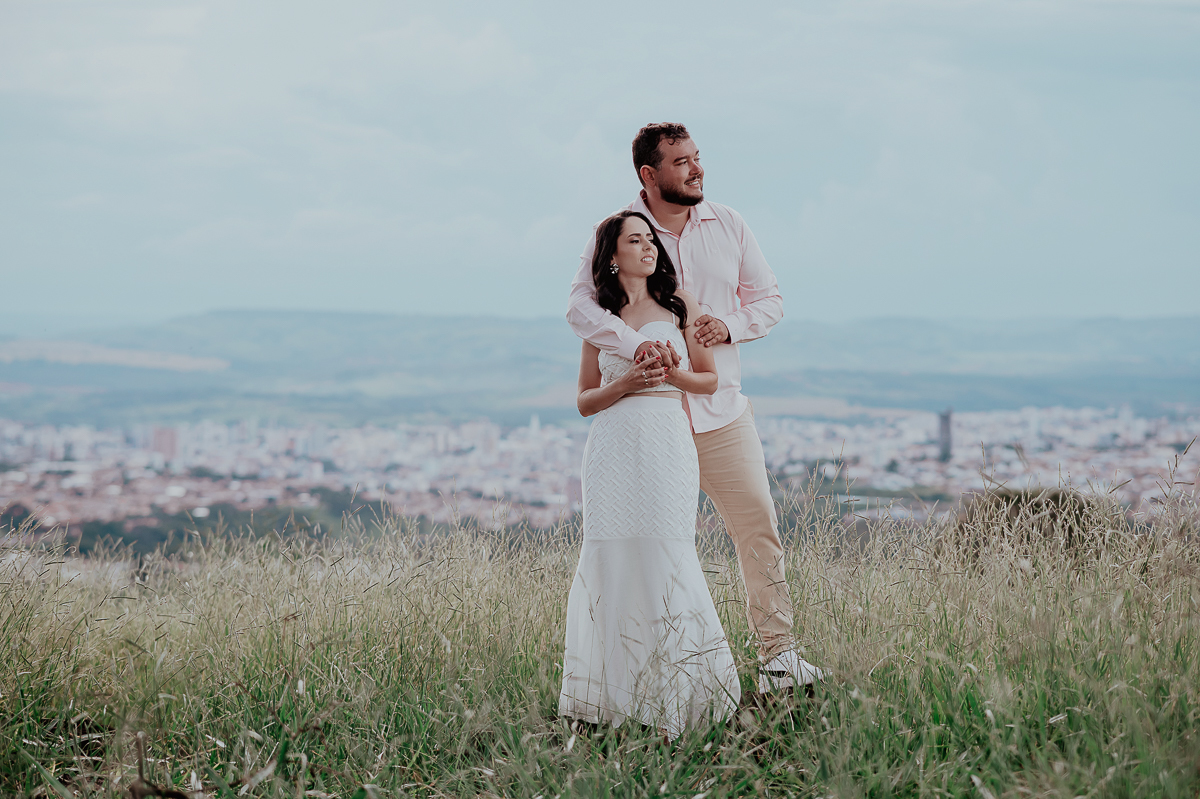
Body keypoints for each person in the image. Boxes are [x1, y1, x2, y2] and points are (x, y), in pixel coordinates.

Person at [567, 123, 823, 695]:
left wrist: (727, 326)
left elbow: (771, 300)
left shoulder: (729, 224)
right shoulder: (616, 232)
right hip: (643, 426)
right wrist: (637, 349)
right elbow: (581, 305)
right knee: (651, 547)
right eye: (681, 161)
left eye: (697, 157)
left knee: (758, 523)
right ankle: (638, 674)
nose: (696, 168)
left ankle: (778, 657)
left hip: (718, 412)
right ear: (649, 175)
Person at [558, 210, 740, 739]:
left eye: (650, 240)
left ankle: (683, 699)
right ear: (612, 256)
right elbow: (586, 400)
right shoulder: (598, 317)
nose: (648, 248)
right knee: (612, 558)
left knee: (667, 553)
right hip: (612, 449)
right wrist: (629, 382)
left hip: (666, 442)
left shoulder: (681, 306)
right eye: (634, 241)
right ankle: (612, 700)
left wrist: (668, 374)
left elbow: (708, 381)